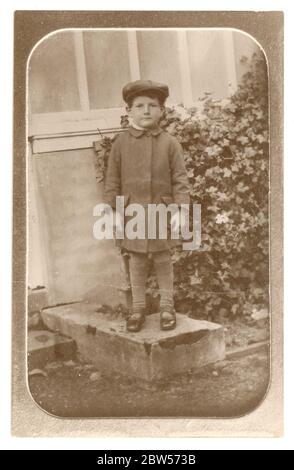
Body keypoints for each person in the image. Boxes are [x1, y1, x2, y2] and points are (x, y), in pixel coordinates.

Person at [103, 80, 190, 332]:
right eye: (139, 105)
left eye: (153, 105)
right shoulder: (120, 143)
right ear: (128, 111)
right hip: (131, 212)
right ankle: (137, 308)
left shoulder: (170, 143)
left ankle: (167, 307)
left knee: (164, 258)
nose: (146, 110)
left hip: (163, 211)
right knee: (137, 258)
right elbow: (112, 181)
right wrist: (114, 212)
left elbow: (180, 180)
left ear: (162, 111)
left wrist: (181, 210)